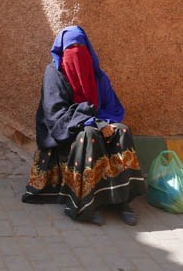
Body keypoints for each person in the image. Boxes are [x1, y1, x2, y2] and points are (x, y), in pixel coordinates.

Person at [22, 25, 145, 225]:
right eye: (71, 50)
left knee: (122, 131)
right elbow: (56, 115)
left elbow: (113, 108)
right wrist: (94, 122)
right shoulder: (54, 74)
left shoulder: (98, 76)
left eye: (81, 49)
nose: (77, 56)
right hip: (64, 131)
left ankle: (122, 201)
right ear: (62, 52)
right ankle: (85, 204)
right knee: (89, 134)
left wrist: (107, 123)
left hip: (96, 122)